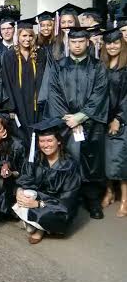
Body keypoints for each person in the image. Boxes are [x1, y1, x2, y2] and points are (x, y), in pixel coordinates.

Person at [47, 26, 108, 219]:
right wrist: (69, 118)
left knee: (91, 161)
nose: (77, 45)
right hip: (65, 123)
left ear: (88, 43)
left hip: (90, 122)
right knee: (68, 160)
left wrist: (80, 116)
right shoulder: (58, 65)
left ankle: (92, 201)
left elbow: (100, 94)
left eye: (81, 41)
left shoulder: (98, 66)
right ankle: (68, 200)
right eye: (74, 41)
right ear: (68, 43)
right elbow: (54, 93)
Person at [13, 119, 82, 244]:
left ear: (59, 141)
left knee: (48, 213)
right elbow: (25, 178)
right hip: (38, 198)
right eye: (42, 141)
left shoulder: (69, 166)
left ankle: (41, 228)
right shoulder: (35, 158)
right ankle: (34, 221)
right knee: (24, 193)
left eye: (50, 140)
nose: (45, 145)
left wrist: (39, 204)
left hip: (58, 206)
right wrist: (19, 190)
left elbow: (68, 200)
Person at [1, 19, 46, 140]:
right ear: (18, 36)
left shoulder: (41, 54)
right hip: (18, 103)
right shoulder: (10, 55)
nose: (27, 39)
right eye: (24, 35)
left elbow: (45, 79)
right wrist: (10, 106)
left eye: (31, 35)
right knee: (22, 135)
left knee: (37, 134)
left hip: (36, 103)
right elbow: (6, 81)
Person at [99, 28, 127, 217]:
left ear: (122, 43)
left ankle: (124, 199)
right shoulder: (102, 65)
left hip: (122, 119)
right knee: (105, 159)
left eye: (116, 42)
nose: (112, 46)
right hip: (102, 118)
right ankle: (109, 192)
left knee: (120, 159)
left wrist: (119, 118)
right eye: (109, 43)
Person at [0, 110, 26, 218]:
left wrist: (11, 172)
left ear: (4, 127)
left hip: (10, 184)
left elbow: (24, 172)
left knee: (4, 183)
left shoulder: (17, 145)